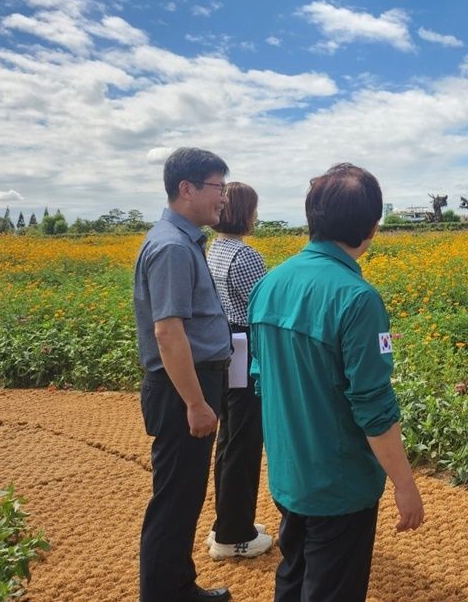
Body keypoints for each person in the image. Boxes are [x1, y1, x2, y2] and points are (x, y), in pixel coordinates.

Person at [248, 163, 424, 602]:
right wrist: (404, 483)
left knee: (294, 574)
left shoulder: (270, 282)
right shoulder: (357, 298)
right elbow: (374, 406)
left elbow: (260, 378)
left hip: (290, 474)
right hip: (340, 485)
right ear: (372, 226)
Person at [133, 147, 234, 602]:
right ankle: (165, 594)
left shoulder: (180, 240)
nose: (224, 199)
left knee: (184, 496)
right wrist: (195, 402)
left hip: (188, 385)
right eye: (218, 188)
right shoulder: (173, 246)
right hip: (182, 390)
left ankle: (178, 587)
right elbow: (168, 333)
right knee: (175, 501)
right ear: (186, 189)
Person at [205, 182, 274, 560]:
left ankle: (225, 522)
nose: (256, 216)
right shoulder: (245, 255)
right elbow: (260, 309)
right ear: (244, 212)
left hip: (224, 346)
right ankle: (235, 535)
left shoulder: (215, 249)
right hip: (246, 347)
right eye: (255, 208)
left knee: (229, 438)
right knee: (245, 444)